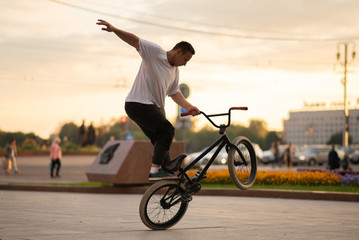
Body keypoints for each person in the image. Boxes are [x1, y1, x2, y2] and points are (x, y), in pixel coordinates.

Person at [97, 19, 200, 180]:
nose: (185, 64)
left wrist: (189, 106)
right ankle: (154, 171)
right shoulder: (155, 52)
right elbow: (134, 40)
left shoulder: (175, 72)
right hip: (138, 103)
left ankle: (166, 171)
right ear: (178, 51)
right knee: (167, 131)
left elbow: (175, 93)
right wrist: (114, 29)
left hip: (150, 108)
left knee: (160, 139)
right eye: (185, 60)